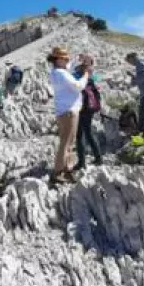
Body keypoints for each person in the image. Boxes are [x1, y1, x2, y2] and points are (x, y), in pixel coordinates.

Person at [48, 46, 89, 184]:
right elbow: (78, 86)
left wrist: (79, 59)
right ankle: (58, 172)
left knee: (68, 142)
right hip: (69, 112)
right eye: (64, 58)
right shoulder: (61, 73)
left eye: (67, 59)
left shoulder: (57, 72)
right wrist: (86, 76)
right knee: (66, 143)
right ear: (58, 59)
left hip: (65, 111)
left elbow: (70, 68)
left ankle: (67, 169)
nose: (67, 61)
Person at [73, 55, 103, 170]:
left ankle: (81, 163)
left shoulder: (77, 76)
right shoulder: (92, 77)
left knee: (79, 135)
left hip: (81, 108)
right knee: (89, 132)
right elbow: (98, 81)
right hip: (90, 108)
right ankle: (98, 158)